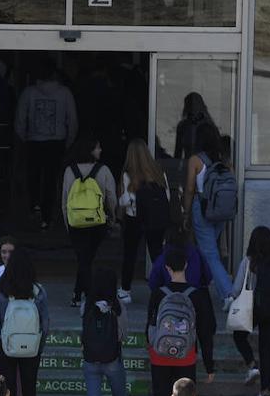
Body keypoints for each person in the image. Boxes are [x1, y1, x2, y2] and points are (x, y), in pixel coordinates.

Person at [146, 248, 217, 396]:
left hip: (160, 355)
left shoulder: (158, 293)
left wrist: (151, 348)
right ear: (186, 265)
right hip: (186, 356)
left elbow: (150, 326)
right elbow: (205, 332)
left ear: (166, 268)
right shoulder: (197, 295)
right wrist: (209, 365)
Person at [0, 248, 49, 396]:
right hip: (32, 346)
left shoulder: (1, 290)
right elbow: (45, 323)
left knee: (7, 390)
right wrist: (39, 345)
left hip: (6, 345)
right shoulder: (38, 291)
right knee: (29, 391)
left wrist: (0, 337)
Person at [82, 269, 142, 396]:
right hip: (113, 359)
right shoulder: (118, 307)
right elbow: (123, 334)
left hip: (90, 359)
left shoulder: (86, 305)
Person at [14, 63, 78, 229]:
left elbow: (20, 119)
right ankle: (47, 216)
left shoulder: (28, 92)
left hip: (34, 141)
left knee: (33, 176)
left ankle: (34, 205)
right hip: (57, 142)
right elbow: (72, 120)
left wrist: (25, 137)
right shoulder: (65, 93)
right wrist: (68, 141)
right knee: (51, 179)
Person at [231, 227, 270, 396]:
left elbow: (236, 289)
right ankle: (265, 394)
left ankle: (252, 364)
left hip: (254, 307)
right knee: (266, 349)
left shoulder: (249, 262)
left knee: (239, 335)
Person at [61, 136, 117, 308]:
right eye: (97, 148)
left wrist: (67, 223)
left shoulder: (70, 171)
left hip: (76, 222)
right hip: (97, 222)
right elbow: (111, 197)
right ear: (90, 150)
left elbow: (65, 200)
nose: (100, 150)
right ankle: (87, 295)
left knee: (83, 259)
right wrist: (112, 218)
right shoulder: (104, 170)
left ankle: (78, 295)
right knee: (87, 258)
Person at [183, 124, 234, 305]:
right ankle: (201, 285)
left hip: (202, 208)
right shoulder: (223, 159)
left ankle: (229, 294)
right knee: (210, 252)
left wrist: (186, 212)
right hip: (221, 210)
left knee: (210, 253)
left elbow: (190, 189)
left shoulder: (195, 160)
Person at [119, 139, 170, 305]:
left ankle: (125, 290)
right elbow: (167, 197)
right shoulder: (158, 173)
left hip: (134, 218)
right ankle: (164, 287)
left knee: (130, 255)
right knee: (157, 254)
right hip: (156, 219)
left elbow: (126, 200)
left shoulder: (129, 174)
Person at [172, 92, 213, 164]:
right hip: (188, 166)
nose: (193, 108)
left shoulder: (208, 127)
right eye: (190, 105)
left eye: (195, 105)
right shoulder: (182, 126)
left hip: (204, 167)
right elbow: (177, 154)